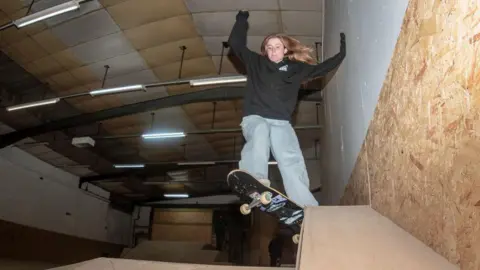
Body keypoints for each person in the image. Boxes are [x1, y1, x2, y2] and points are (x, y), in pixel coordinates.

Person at [228, 10, 346, 207]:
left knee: (290, 158)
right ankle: (256, 180)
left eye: (277, 47)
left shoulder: (296, 68)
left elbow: (320, 69)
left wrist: (341, 54)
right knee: (260, 131)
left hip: (281, 122)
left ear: (285, 50)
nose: (273, 51)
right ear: (265, 50)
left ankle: (305, 204)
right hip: (255, 118)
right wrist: (241, 21)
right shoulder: (256, 62)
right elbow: (236, 45)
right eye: (269, 47)